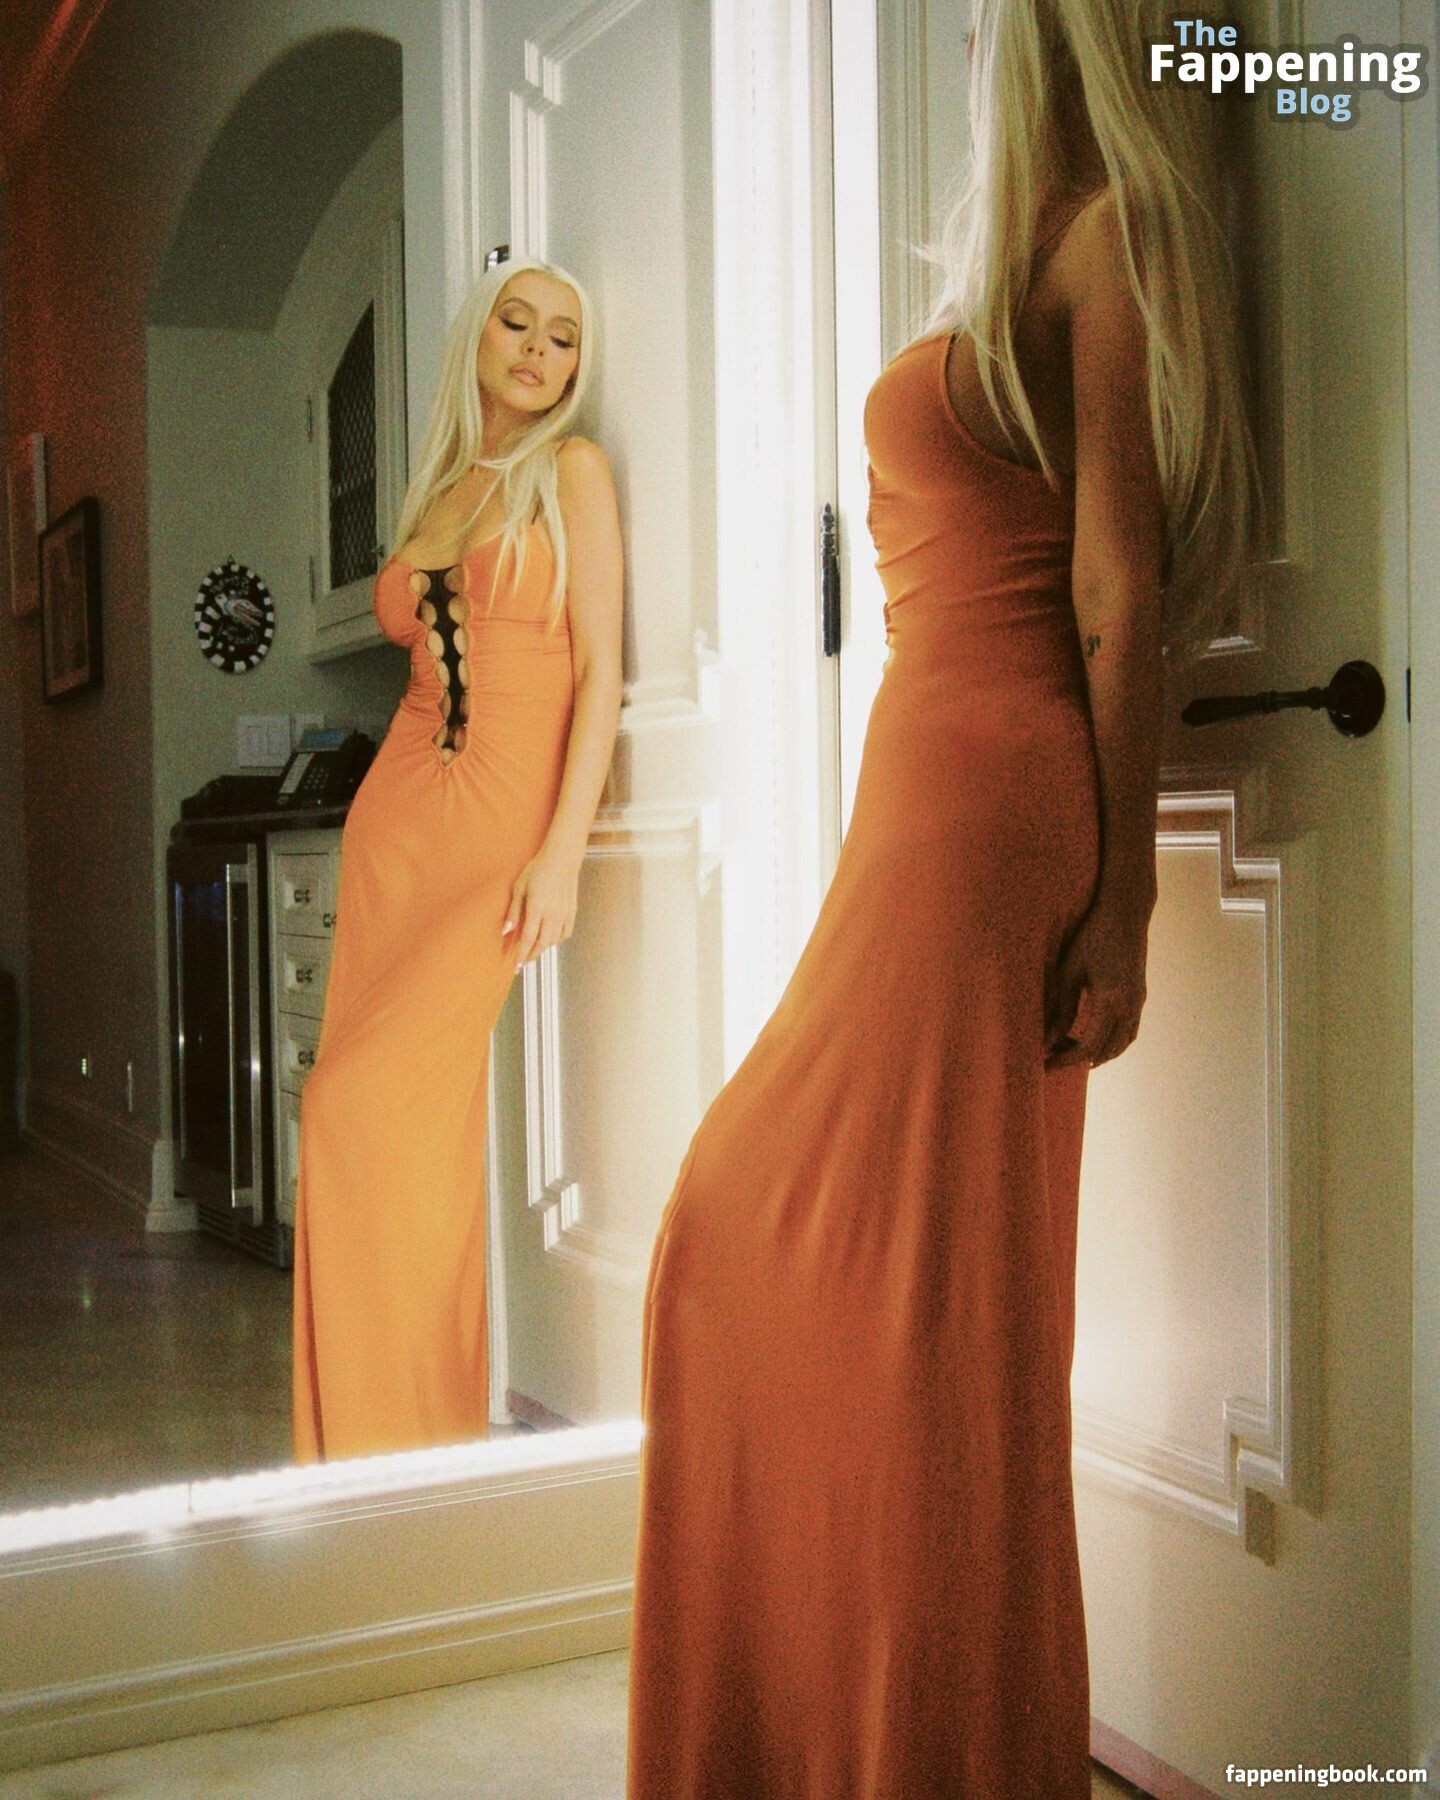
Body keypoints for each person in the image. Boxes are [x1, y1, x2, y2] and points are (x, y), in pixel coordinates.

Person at [626, 0, 1257, 1791]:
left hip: (994, 809)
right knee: (839, 1266)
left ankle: (935, 1738)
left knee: (896, 1281)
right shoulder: (1019, 248)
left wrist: (1126, 900)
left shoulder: (1109, 235)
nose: (973, 41)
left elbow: (1120, 584)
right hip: (927, 788)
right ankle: (831, 1722)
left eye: (994, 17)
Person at [292, 258, 624, 1464]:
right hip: (396, 827)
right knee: (402, 1130)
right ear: (477, 338)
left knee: (353, 1106)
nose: (538, 350)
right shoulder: (436, 488)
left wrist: (563, 849)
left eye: (564, 338)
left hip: (496, 827)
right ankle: (378, 1446)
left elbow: (600, 672)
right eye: (517, 323)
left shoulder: (571, 472)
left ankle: (396, 1431)